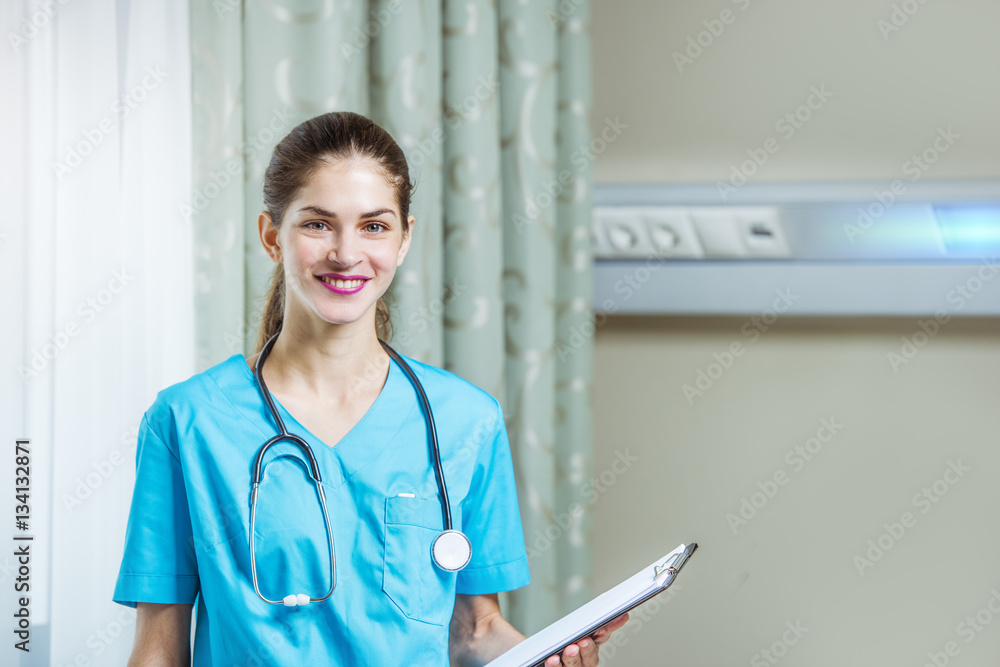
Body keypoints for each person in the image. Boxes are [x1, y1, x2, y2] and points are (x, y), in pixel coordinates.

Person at [113, 111, 626, 666]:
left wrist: (550, 658)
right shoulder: (188, 422)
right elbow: (158, 651)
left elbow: (473, 632)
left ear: (404, 240)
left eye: (374, 226)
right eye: (317, 224)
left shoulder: (466, 421)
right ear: (271, 237)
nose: (346, 253)